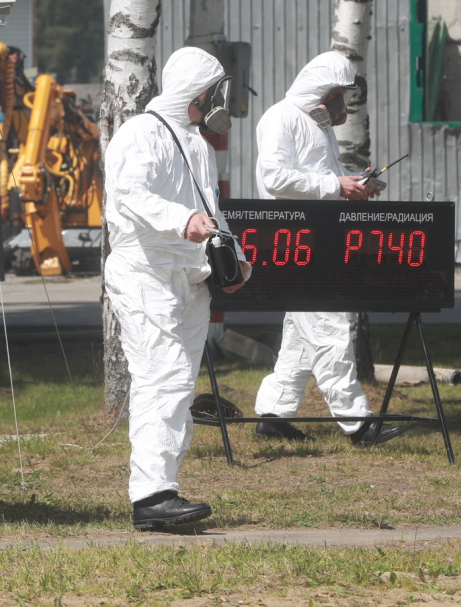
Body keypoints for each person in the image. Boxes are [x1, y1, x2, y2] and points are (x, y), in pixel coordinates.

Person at [103, 47, 252, 531]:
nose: (219, 100)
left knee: (179, 383)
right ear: (198, 93)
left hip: (190, 274)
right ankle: (151, 496)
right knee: (160, 375)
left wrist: (234, 256)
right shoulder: (140, 133)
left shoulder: (198, 144)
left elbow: (210, 210)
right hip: (145, 271)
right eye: (215, 91)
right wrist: (180, 219)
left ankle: (164, 489)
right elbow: (131, 194)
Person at [251, 51, 405, 447]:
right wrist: (338, 185)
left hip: (314, 238)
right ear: (316, 90)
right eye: (337, 95)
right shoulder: (280, 118)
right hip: (294, 241)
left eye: (344, 96)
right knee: (330, 328)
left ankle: (273, 416)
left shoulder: (318, 127)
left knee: (301, 335)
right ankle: (359, 425)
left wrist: (352, 184)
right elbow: (274, 178)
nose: (342, 104)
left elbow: (319, 178)